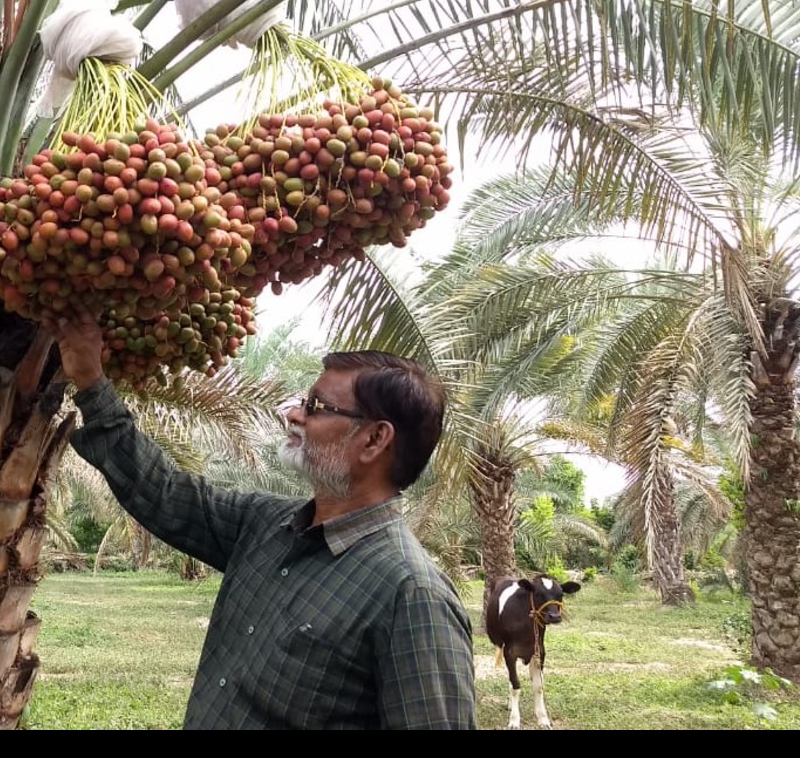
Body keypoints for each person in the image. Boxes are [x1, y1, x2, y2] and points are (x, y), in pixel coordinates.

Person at [44, 311, 477, 730]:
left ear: (374, 439)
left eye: (316, 405)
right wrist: (91, 381)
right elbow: (164, 492)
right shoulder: (264, 524)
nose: (294, 414)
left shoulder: (411, 595)